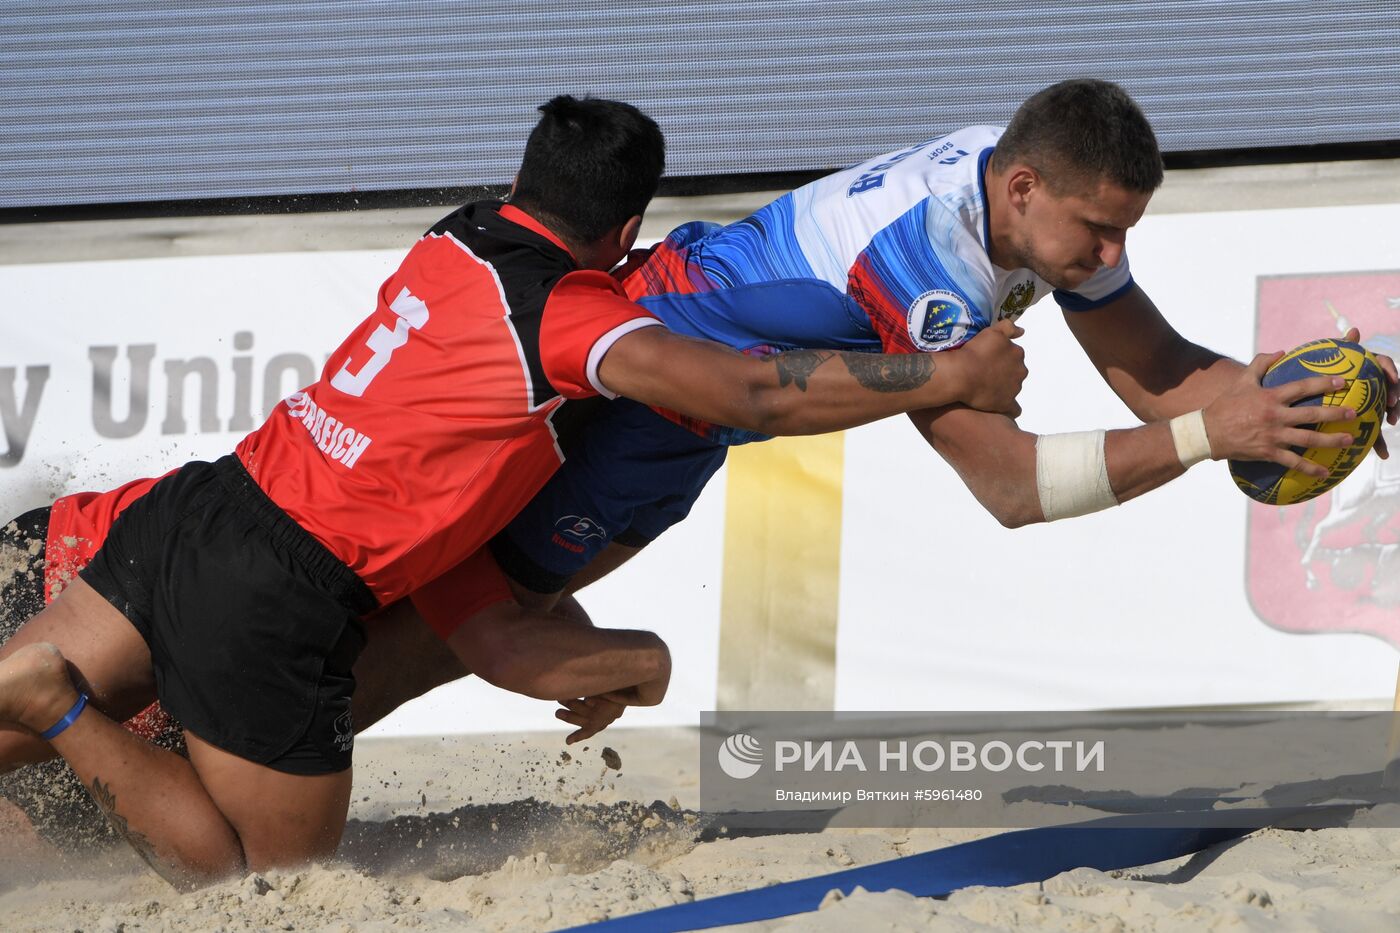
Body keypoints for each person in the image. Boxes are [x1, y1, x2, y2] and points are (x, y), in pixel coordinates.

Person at [0, 94, 1029, 886]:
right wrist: (947, 375)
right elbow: (745, 388)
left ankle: (49, 707)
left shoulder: (460, 233)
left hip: (197, 504)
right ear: (626, 230)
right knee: (251, 881)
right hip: (279, 587)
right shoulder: (566, 315)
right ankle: (59, 712)